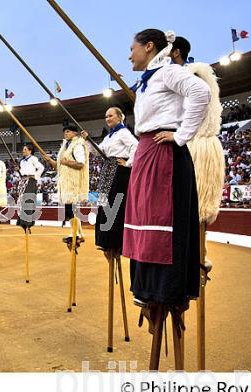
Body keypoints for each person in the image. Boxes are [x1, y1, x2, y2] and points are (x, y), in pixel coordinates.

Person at [124, 29, 210, 367]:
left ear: (149, 47)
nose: (129, 55)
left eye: (132, 49)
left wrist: (182, 135)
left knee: (162, 222)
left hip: (164, 154)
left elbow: (200, 92)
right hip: (147, 152)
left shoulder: (171, 72)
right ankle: (148, 291)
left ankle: (165, 291)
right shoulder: (149, 80)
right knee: (143, 222)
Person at [90, 107, 138, 256]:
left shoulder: (123, 133)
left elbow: (136, 146)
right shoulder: (109, 136)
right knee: (104, 202)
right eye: (106, 116)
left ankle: (114, 240)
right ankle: (105, 239)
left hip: (118, 170)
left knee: (114, 203)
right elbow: (100, 151)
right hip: (107, 168)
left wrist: (128, 163)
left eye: (110, 116)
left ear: (119, 117)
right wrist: (88, 140)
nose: (107, 119)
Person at [44, 124, 89, 249]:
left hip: (73, 182)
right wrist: (50, 160)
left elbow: (81, 164)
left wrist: (66, 162)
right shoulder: (65, 146)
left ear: (75, 133)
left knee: (71, 210)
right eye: (65, 132)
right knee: (69, 210)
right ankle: (78, 233)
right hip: (65, 182)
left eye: (68, 131)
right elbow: (59, 166)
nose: (65, 133)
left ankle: (76, 233)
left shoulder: (78, 145)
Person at [16, 144, 44, 231]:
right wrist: (18, 170)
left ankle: (28, 222)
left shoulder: (33, 159)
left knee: (28, 200)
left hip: (30, 181)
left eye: (25, 149)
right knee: (21, 200)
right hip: (23, 181)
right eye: (23, 149)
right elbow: (22, 172)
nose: (23, 151)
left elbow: (41, 167)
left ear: (29, 151)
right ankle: (22, 221)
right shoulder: (22, 161)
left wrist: (35, 176)